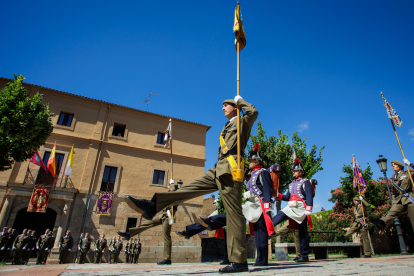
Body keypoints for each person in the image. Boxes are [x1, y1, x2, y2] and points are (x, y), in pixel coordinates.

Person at [122, 96, 258, 273]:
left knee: (234, 214)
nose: (222, 108)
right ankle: (152, 205)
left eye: (226, 105)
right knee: (188, 189)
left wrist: (241, 101)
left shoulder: (242, 121)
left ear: (235, 107)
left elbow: (253, 112)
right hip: (219, 168)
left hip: (232, 171)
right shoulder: (226, 126)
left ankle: (239, 261)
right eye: (223, 106)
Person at [118, 182, 180, 265]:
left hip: (169, 216)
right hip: (163, 215)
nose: (168, 187)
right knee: (147, 223)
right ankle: (129, 234)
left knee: (166, 236)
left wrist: (172, 185)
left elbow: (173, 193)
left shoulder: (177, 195)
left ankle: (167, 258)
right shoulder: (170, 195)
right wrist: (169, 188)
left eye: (170, 187)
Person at [273, 157, 313, 263]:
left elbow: (309, 196)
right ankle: (269, 227)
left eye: (295, 171)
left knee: (303, 232)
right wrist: (279, 196)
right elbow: (287, 197)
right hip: (291, 207)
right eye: (293, 171)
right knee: (279, 215)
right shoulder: (291, 185)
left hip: (301, 207)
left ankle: (304, 255)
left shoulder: (306, 182)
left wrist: (309, 208)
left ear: (300, 171)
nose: (293, 173)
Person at [370, 160, 414, 230]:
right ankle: (381, 223)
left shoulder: (408, 173)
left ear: (400, 166)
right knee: (391, 212)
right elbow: (394, 192)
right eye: (392, 165)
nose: (392, 166)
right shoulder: (393, 179)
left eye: (395, 164)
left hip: (409, 199)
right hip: (399, 200)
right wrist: (394, 201)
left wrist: (410, 164)